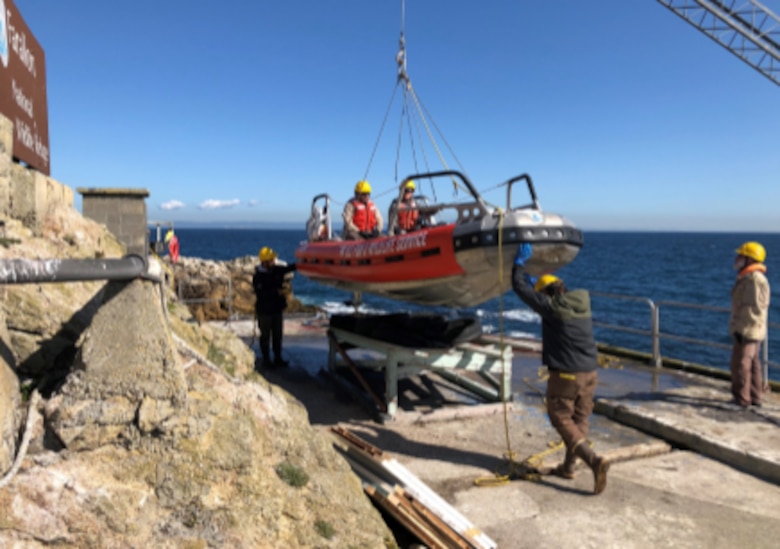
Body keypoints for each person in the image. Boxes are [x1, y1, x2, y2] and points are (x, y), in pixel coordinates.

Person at [511, 243, 609, 495]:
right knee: (580, 418)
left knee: (560, 417)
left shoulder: (551, 309)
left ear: (546, 294)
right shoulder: (581, 305)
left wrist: (519, 265)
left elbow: (519, 288)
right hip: (590, 372)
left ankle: (593, 460)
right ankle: (569, 467)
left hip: (566, 374)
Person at [729, 241, 770, 408]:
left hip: (748, 330)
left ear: (750, 259)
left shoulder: (754, 280)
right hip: (752, 329)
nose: (737, 258)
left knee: (741, 364)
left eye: (741, 256)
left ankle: (742, 401)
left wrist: (742, 329)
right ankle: (755, 396)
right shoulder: (749, 278)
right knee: (753, 364)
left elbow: (755, 309)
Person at [252, 246, 297, 369]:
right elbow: (260, 293)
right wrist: (276, 292)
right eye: (271, 260)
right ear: (264, 262)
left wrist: (304, 264)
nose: (274, 262)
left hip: (277, 309)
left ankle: (278, 358)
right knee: (265, 336)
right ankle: (266, 360)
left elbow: (290, 268)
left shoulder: (276, 270)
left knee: (278, 335)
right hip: (264, 310)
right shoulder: (258, 277)